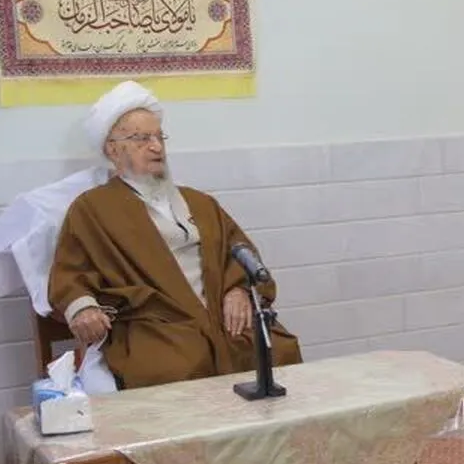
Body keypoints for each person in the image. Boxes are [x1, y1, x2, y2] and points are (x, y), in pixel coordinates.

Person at [49, 80, 303, 393]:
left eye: (159, 137)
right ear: (112, 150)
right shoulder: (93, 208)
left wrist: (238, 290)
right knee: (177, 367)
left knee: (279, 349)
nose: (157, 147)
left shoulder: (200, 202)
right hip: (156, 327)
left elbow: (239, 250)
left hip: (223, 320)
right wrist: (83, 308)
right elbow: (70, 274)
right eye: (142, 139)